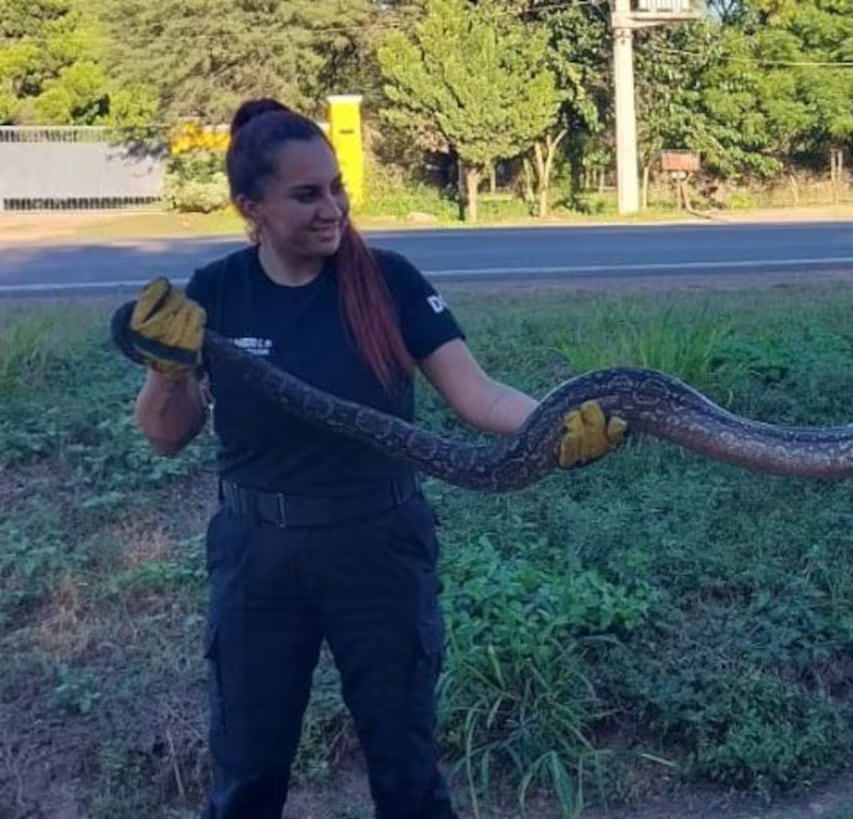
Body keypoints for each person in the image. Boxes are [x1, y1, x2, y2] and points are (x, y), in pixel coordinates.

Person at [126, 98, 626, 819]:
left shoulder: (387, 280)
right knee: (246, 777)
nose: (332, 207)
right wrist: (166, 365)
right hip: (256, 559)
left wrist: (555, 430)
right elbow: (165, 434)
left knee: (407, 772)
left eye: (337, 186)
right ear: (251, 206)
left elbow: (479, 395)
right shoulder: (216, 293)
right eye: (306, 194)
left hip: (379, 550)